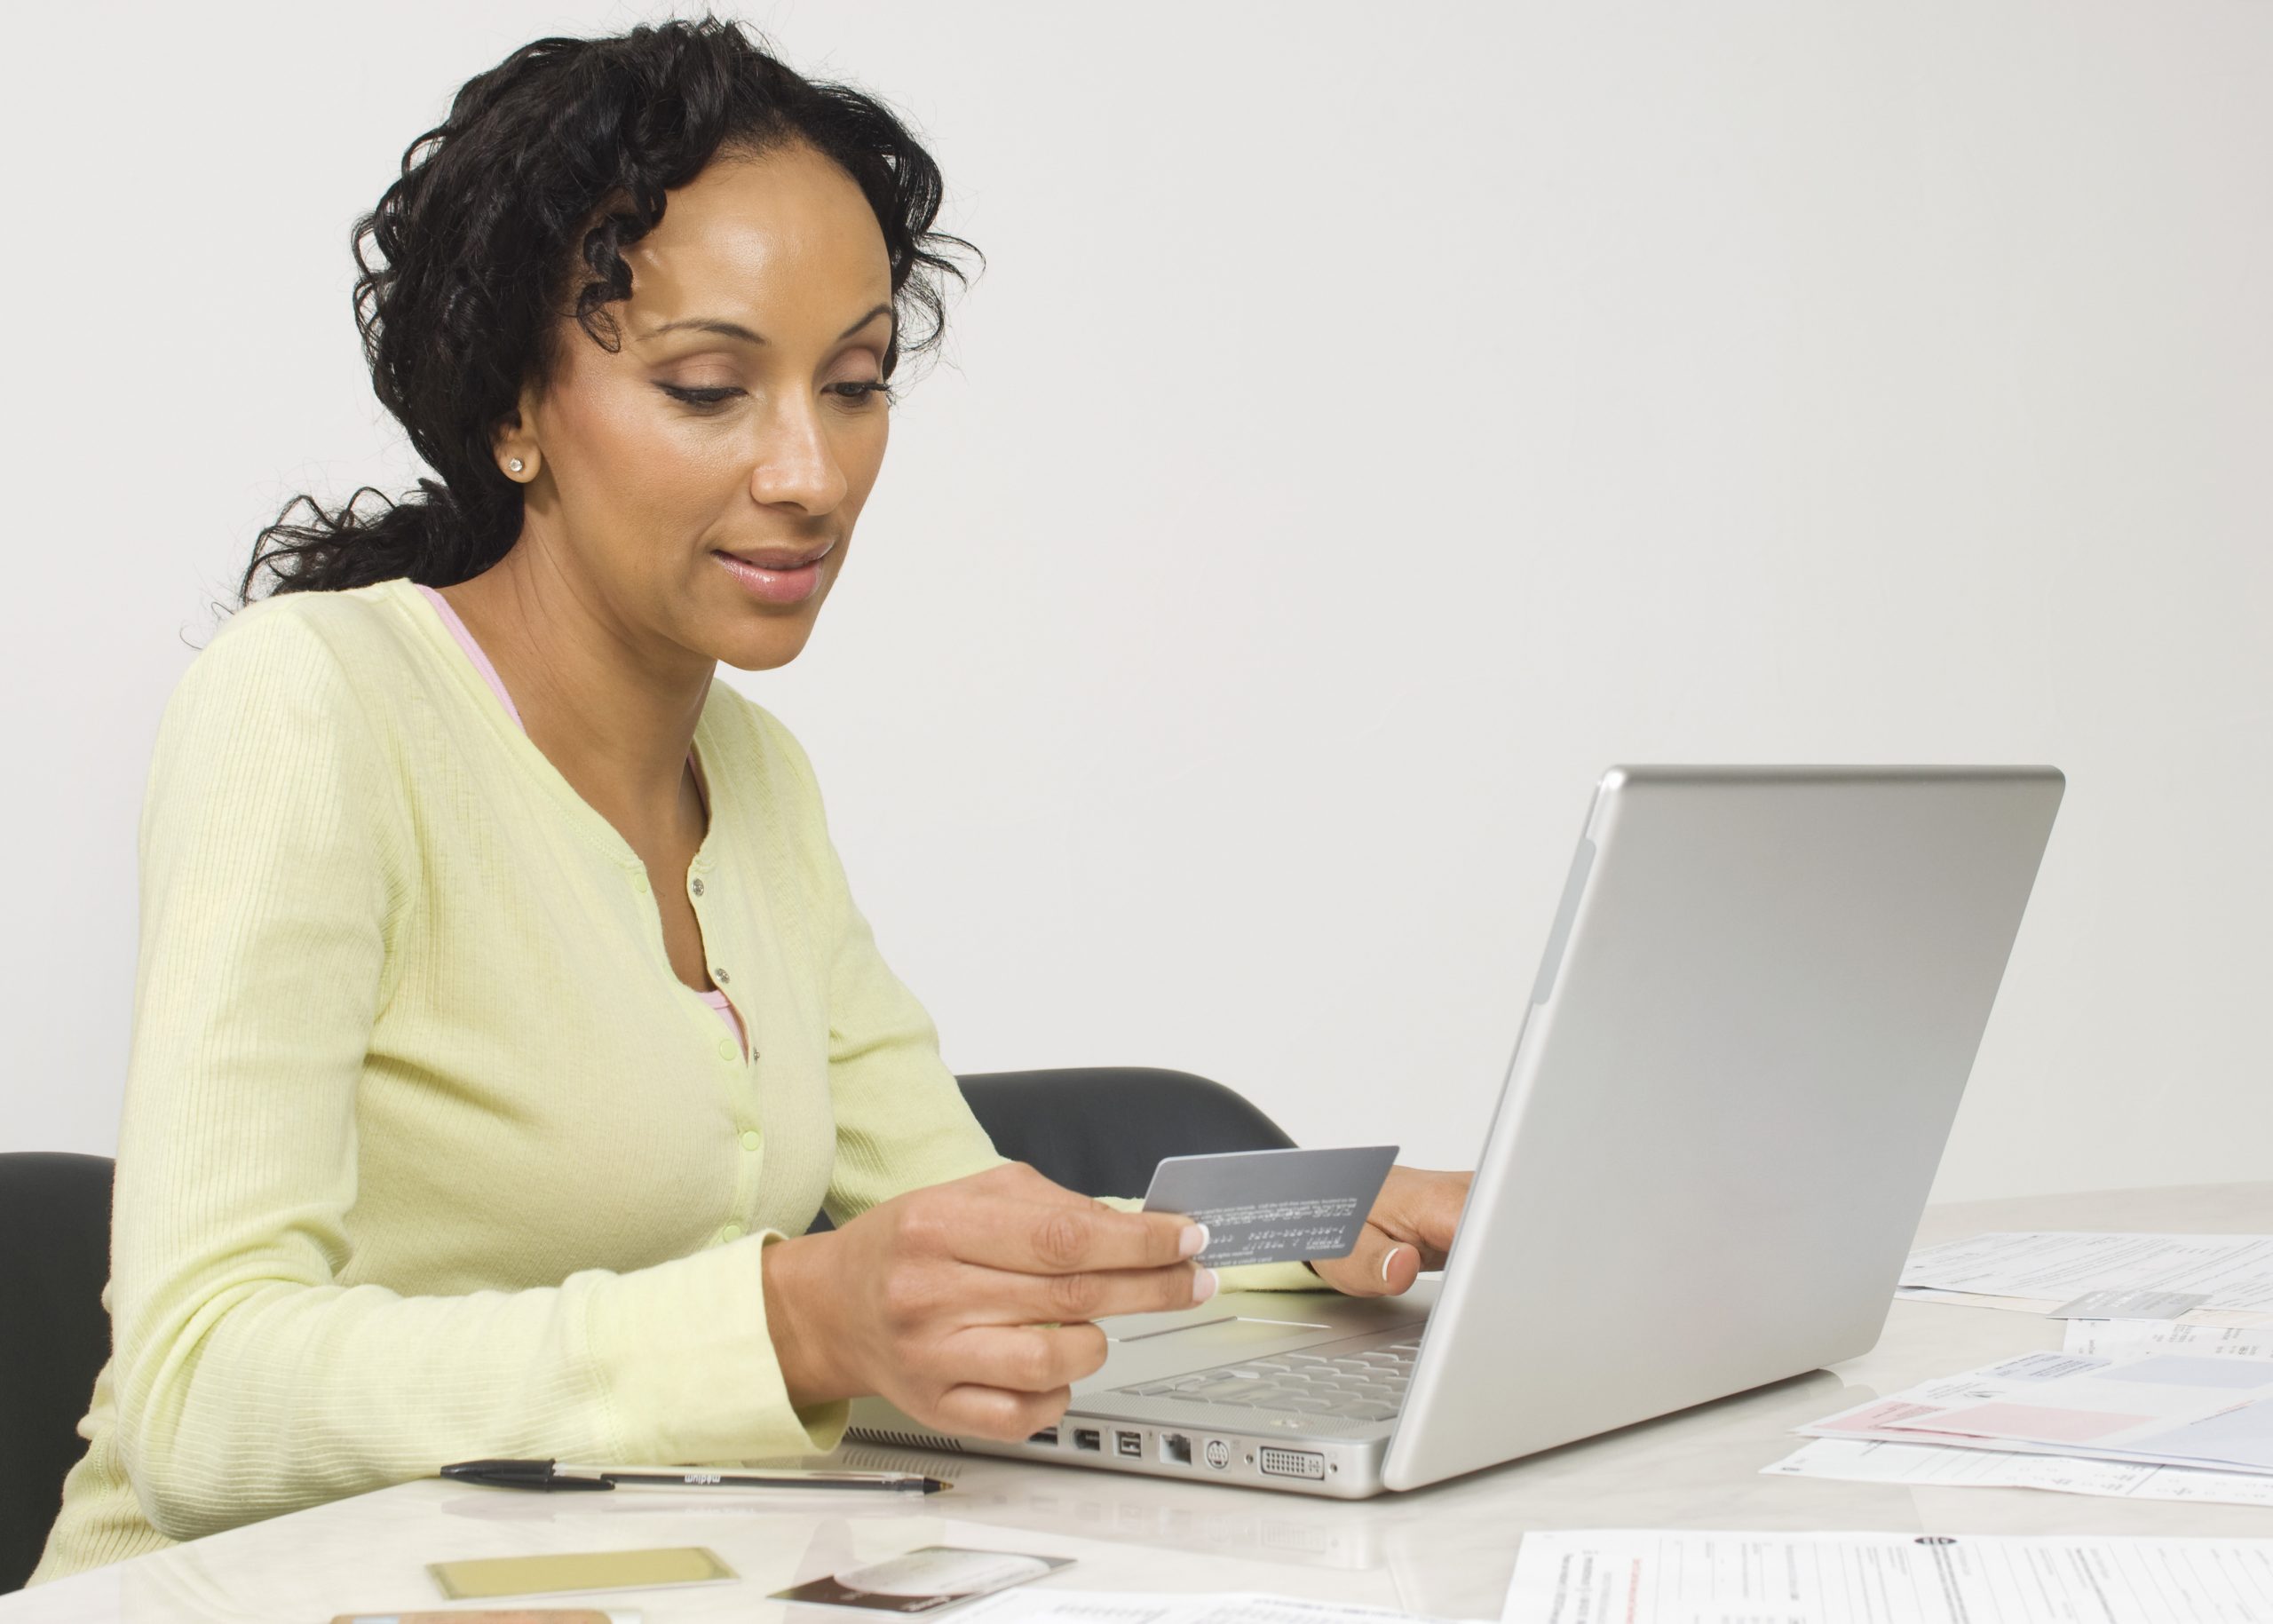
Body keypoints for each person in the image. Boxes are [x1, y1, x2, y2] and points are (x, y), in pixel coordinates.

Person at [31, 18, 1470, 1585]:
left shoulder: (756, 777)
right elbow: (195, 1389)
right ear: (517, 410)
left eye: (854, 382)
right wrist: (790, 1317)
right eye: (712, 387)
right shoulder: (315, 704)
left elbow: (961, 1215)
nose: (813, 471)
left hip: (601, 1588)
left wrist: (1297, 1225)